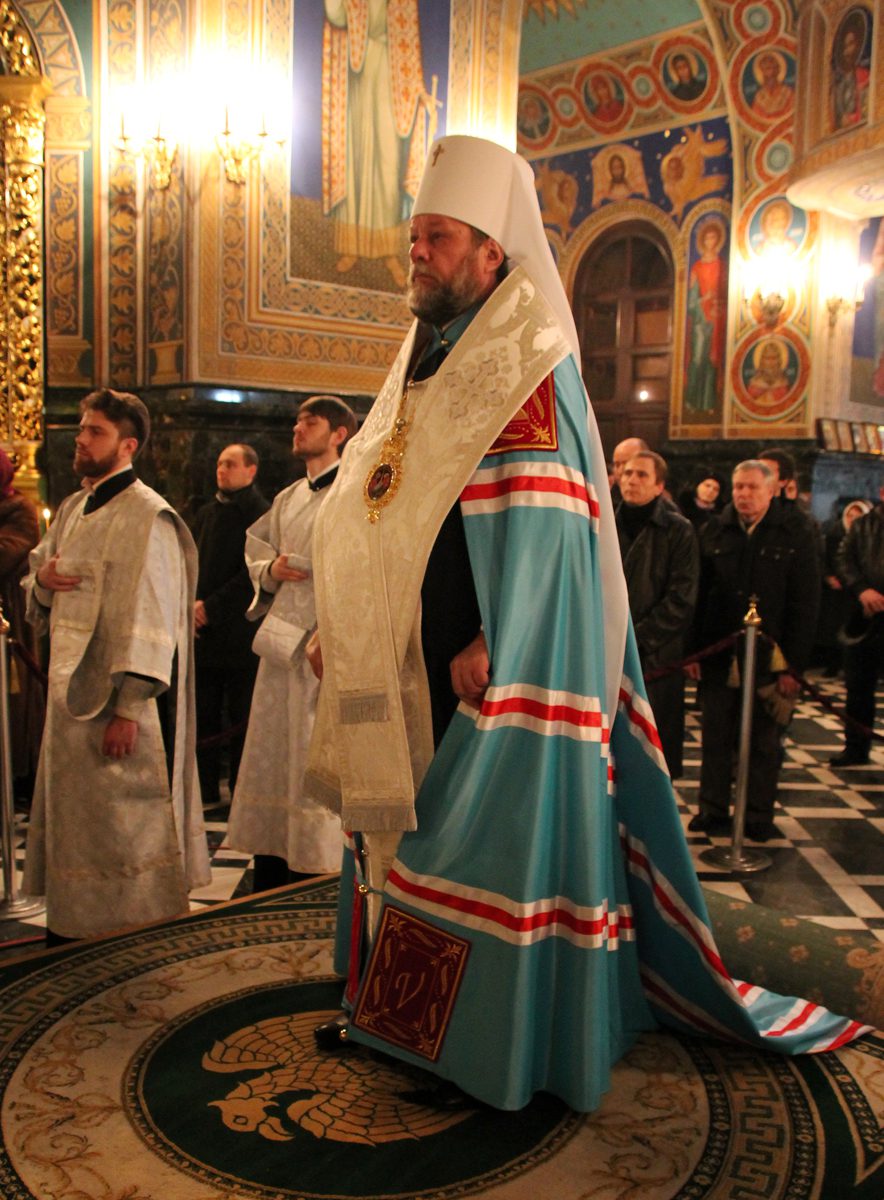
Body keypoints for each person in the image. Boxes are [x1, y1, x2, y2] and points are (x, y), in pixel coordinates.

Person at [302, 136, 864, 1113]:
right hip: (406, 651)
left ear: (491, 252)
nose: (416, 253)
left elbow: (548, 532)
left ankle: (470, 1047)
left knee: (469, 850)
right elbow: (379, 500)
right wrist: (345, 619)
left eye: (437, 238)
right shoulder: (423, 356)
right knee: (391, 832)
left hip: (486, 663)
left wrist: (496, 638)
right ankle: (385, 1009)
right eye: (414, 236)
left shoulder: (527, 361)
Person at [22, 389, 210, 943]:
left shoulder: (149, 516)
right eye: (82, 429)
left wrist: (128, 707)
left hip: (115, 705)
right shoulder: (74, 507)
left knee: (122, 826)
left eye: (95, 432)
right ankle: (73, 930)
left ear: (128, 445)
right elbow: (40, 576)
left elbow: (154, 616)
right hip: (66, 701)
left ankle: (130, 936)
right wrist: (43, 582)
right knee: (78, 825)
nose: (81, 439)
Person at [226, 396, 358, 892]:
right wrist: (270, 570)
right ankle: (273, 859)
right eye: (298, 421)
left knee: (311, 755)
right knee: (274, 754)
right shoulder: (287, 497)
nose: (298, 428)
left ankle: (315, 870)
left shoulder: (356, 490)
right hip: (280, 647)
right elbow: (256, 549)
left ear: (339, 434)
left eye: (311, 422)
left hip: (326, 646)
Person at [689, 460, 820, 842]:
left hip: (771, 655)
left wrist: (792, 667)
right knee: (715, 735)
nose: (744, 495)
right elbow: (699, 596)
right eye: (738, 487)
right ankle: (712, 808)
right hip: (720, 652)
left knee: (764, 741)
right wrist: (694, 652)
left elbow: (805, 603)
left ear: (771, 490)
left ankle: (758, 814)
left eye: (752, 487)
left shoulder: (796, 532)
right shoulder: (715, 530)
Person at [321, 0, 433, 288]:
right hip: (357, 74)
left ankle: (389, 251)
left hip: (391, 79)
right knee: (356, 162)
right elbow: (336, 16)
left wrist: (419, 90)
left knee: (387, 163)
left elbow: (409, 47)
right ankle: (351, 246)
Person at [190, 444, 269, 809]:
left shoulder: (260, 514)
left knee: (242, 715)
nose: (222, 469)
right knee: (203, 714)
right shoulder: (205, 513)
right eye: (220, 463)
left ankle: (240, 791)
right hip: (202, 632)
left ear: (251, 471)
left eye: (231, 464)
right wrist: (192, 606)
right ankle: (204, 789)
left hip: (239, 633)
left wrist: (211, 608)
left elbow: (251, 575)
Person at [615, 451, 698, 778]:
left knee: (650, 750)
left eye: (642, 475)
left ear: (659, 485)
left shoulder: (678, 530)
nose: (632, 480)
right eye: (627, 473)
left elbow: (681, 598)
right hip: (608, 651)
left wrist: (634, 640)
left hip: (655, 656)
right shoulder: (604, 522)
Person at [830, 487, 884, 766]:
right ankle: (855, 747)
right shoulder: (863, 525)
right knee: (859, 686)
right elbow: (844, 559)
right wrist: (862, 590)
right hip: (865, 615)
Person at [0, 449, 44, 793]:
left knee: (13, 703)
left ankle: (16, 776)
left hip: (9, 621)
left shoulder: (20, 511)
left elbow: (6, 553)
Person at [817, 498, 872, 676]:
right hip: (837, 591)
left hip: (858, 593)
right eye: (850, 515)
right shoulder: (834, 534)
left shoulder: (869, 537)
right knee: (833, 628)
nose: (853, 520)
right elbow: (828, 558)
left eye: (858, 516)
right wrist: (829, 576)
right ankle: (833, 663)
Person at [685, 220, 728, 413]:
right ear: (703, 241)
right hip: (700, 321)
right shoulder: (697, 268)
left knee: (712, 361)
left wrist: (718, 304)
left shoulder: (722, 266)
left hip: (716, 320)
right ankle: (692, 401)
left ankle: (709, 403)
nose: (711, 242)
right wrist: (704, 299)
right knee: (697, 360)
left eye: (714, 238)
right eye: (707, 238)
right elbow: (691, 302)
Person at [677, 467, 726, 533]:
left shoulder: (722, 516)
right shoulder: (681, 509)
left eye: (716, 489)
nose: (711, 491)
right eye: (707, 485)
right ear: (697, 485)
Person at [610, 435, 649, 503]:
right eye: (617, 464)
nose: (620, 471)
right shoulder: (607, 497)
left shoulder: (661, 505)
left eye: (627, 464)